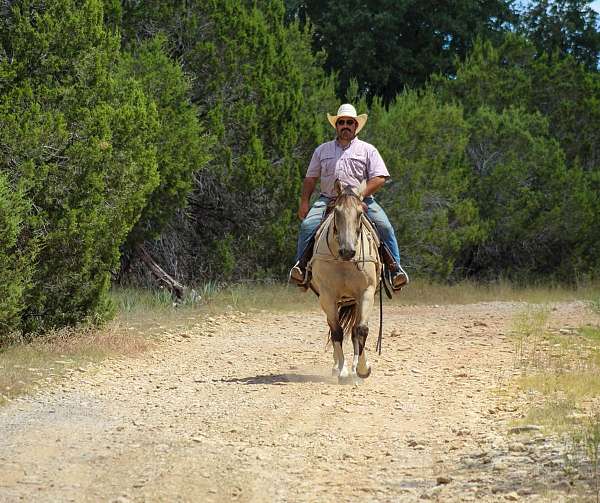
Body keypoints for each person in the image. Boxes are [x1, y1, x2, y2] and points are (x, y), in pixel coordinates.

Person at [289, 103, 409, 290]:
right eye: (341, 122)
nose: (345, 125)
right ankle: (301, 268)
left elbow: (379, 177)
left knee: (384, 225)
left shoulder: (368, 150)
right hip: (328, 199)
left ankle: (395, 270)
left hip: (361, 200)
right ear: (336, 126)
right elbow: (311, 178)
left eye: (349, 122)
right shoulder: (322, 150)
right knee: (307, 226)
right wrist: (304, 202)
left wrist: (361, 194)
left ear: (355, 126)